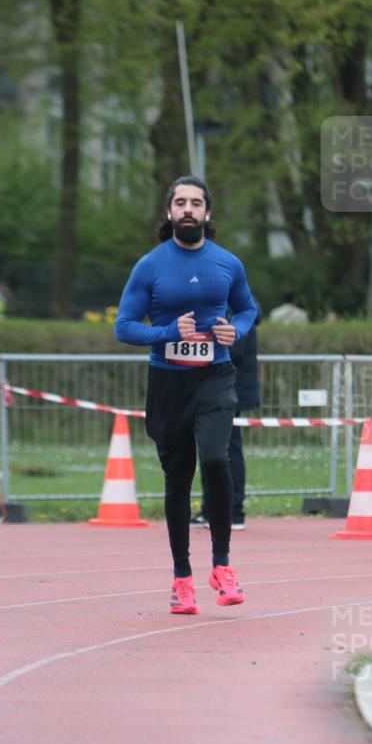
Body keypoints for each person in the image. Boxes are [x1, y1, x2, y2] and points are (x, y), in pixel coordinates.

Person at [114, 175, 258, 614]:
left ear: (207, 213)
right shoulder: (150, 265)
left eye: (196, 202)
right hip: (167, 381)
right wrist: (167, 332)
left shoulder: (228, 263)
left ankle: (222, 564)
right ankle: (181, 577)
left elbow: (249, 307)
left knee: (216, 458)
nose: (189, 209)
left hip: (214, 375)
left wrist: (238, 331)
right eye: (181, 202)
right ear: (169, 213)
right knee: (177, 478)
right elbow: (124, 326)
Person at [191, 307, 261, 530]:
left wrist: (203, 339)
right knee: (210, 451)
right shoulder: (217, 305)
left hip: (230, 392)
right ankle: (210, 509)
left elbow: (233, 349)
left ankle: (234, 510)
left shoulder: (241, 312)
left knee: (229, 451)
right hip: (213, 391)